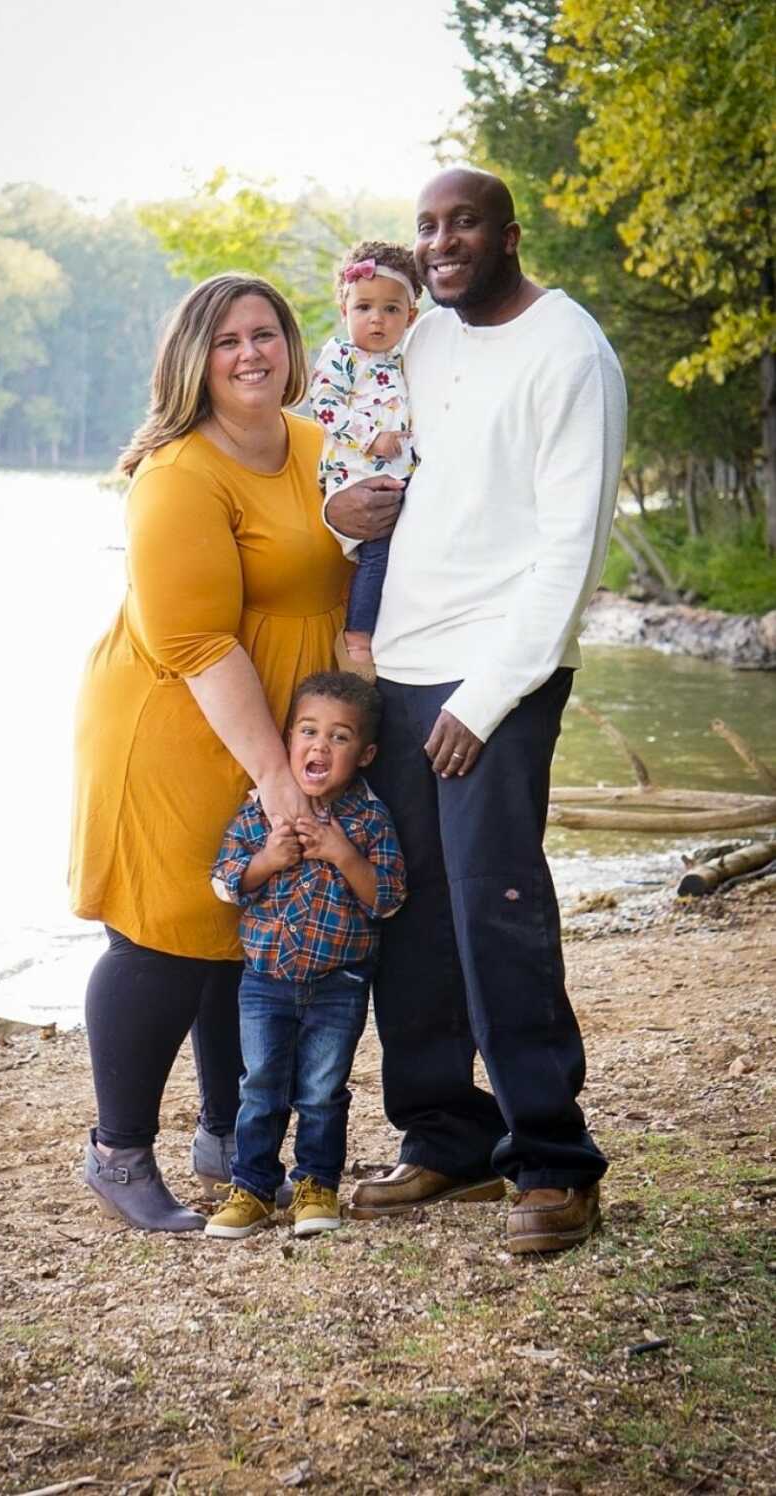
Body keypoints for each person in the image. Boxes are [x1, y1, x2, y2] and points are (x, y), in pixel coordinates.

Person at [325, 167, 627, 1254]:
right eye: (426, 227)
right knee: (407, 911)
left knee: (495, 909)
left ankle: (552, 1159)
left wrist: (489, 696)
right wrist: (331, 510)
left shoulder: (570, 353)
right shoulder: (427, 337)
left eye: (461, 224)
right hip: (402, 665)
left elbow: (569, 550)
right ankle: (448, 1133)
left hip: (498, 675)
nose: (441, 242)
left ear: (508, 232)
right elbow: (360, 430)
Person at [70, 274, 351, 1232]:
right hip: (179, 721)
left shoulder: (317, 447)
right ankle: (116, 1151)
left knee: (243, 931)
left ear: (290, 345)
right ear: (194, 359)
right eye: (227, 339)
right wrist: (278, 778)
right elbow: (196, 643)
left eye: (265, 333)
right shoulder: (180, 474)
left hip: (281, 723)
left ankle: (230, 1132)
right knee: (167, 930)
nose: (251, 354)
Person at [204, 671, 406, 1240]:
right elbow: (225, 882)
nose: (321, 746)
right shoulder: (260, 811)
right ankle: (253, 1189)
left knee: (322, 1090)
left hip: (341, 981)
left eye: (339, 738)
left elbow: (388, 899)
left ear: (364, 754)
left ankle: (317, 1183)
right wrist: (267, 859)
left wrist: (342, 853)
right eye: (309, 731)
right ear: (287, 738)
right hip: (265, 980)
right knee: (261, 1085)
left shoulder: (368, 820)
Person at [308, 242, 420, 679]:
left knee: (406, 550)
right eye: (365, 307)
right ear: (345, 310)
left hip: (398, 476)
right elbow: (325, 405)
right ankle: (358, 633)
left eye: (391, 309)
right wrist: (371, 437)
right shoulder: (342, 356)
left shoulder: (402, 362)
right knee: (377, 550)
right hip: (355, 473)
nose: (377, 319)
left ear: (410, 317)